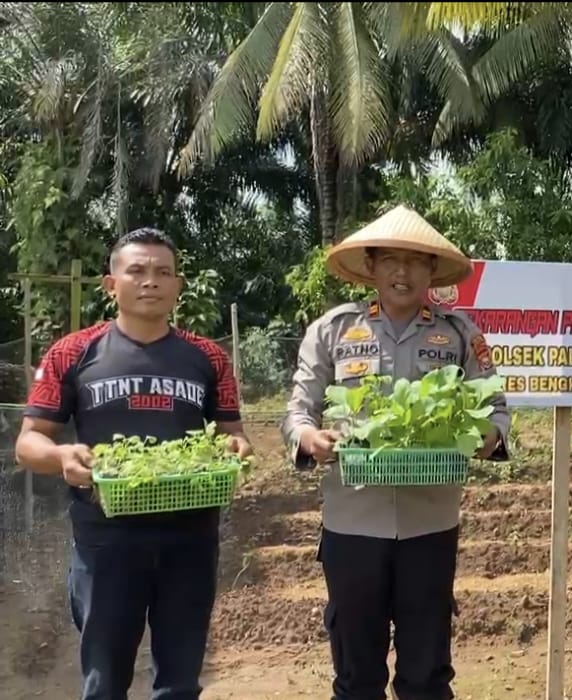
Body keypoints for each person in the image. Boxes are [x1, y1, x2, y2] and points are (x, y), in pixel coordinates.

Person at [282, 205, 510, 700]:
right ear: (370, 267)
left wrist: (487, 436)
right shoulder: (334, 329)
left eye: (415, 262)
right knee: (356, 671)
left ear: (432, 271)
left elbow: (495, 409)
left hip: (430, 522)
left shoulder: (459, 334)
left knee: (426, 672)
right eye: (390, 260)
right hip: (351, 521)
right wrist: (307, 436)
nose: (402, 272)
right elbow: (298, 409)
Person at [15, 228, 253, 700]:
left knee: (180, 681)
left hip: (189, 534)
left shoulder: (208, 357)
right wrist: (63, 454)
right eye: (137, 271)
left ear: (178, 285)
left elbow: (233, 435)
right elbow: (28, 444)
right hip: (106, 538)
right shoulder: (72, 352)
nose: (151, 282)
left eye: (163, 272)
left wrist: (236, 453)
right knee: (103, 680)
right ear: (111, 285)